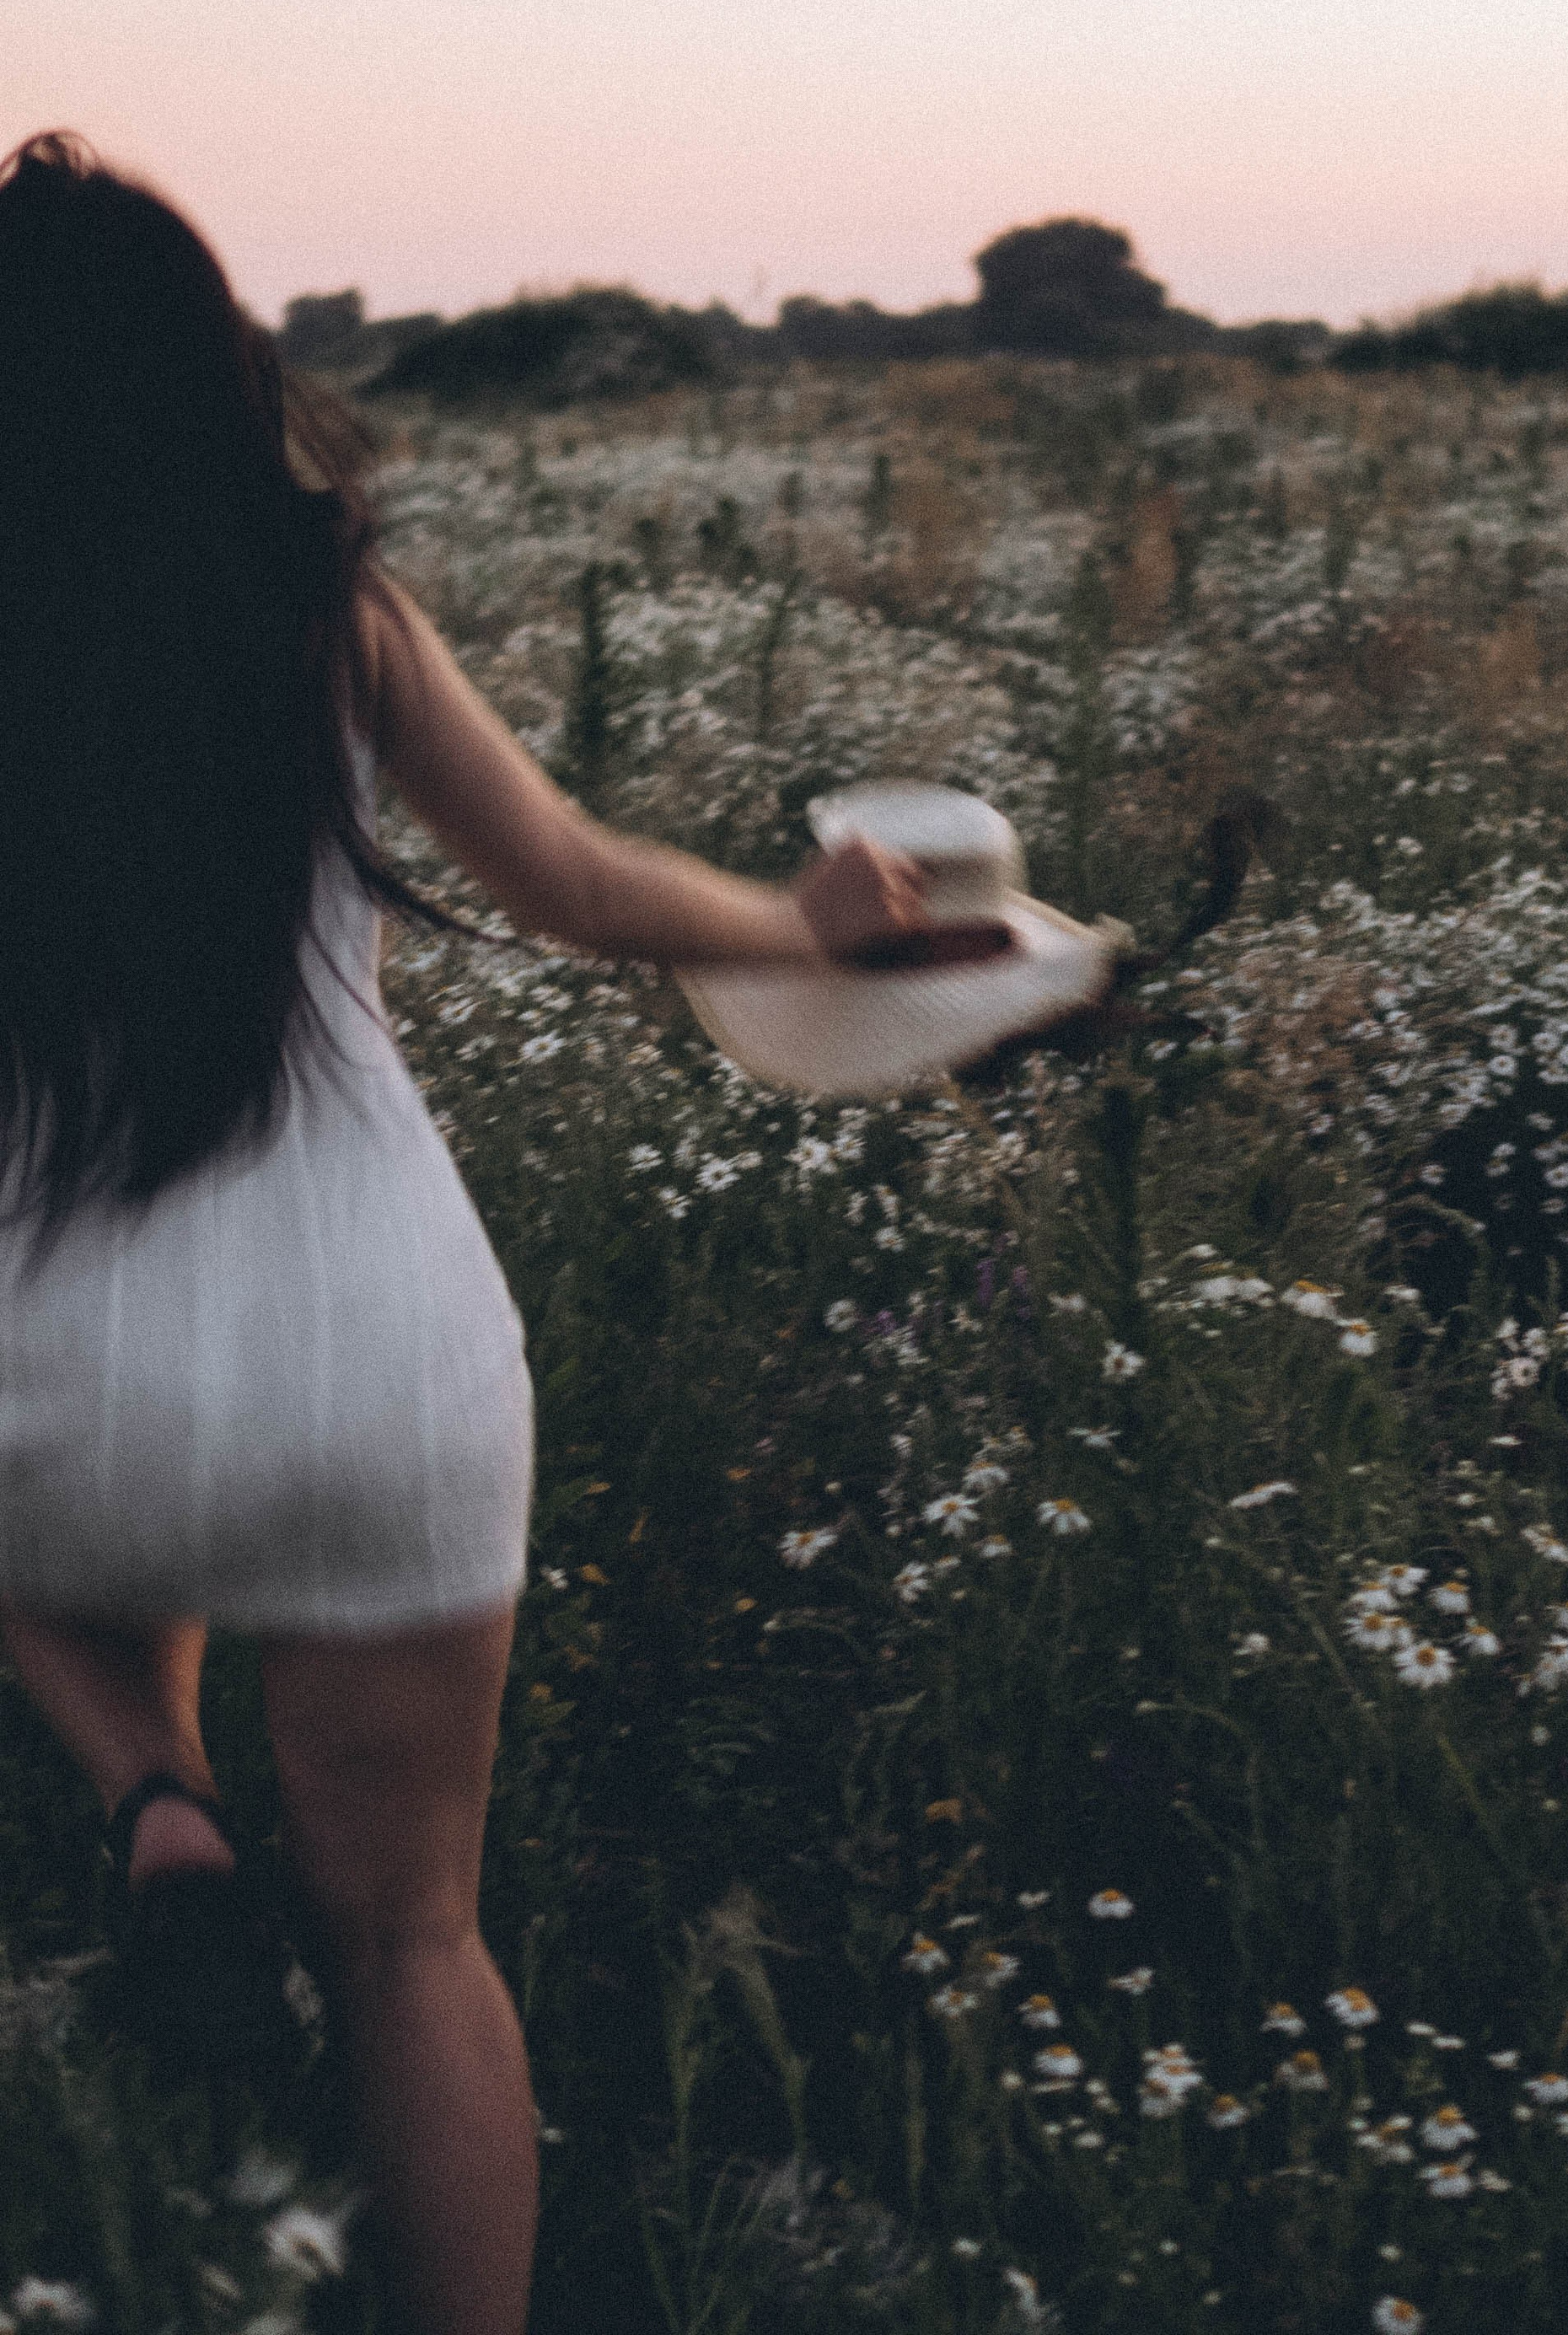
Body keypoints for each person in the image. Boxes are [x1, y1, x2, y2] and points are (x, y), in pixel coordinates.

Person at [0, 132, 926, 2335]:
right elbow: (581, 886)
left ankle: (154, 1792)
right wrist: (800, 925)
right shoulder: (326, 607)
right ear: (214, 371)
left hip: (54, 1365)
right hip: (379, 1359)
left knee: (45, 1540)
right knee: (417, 1942)